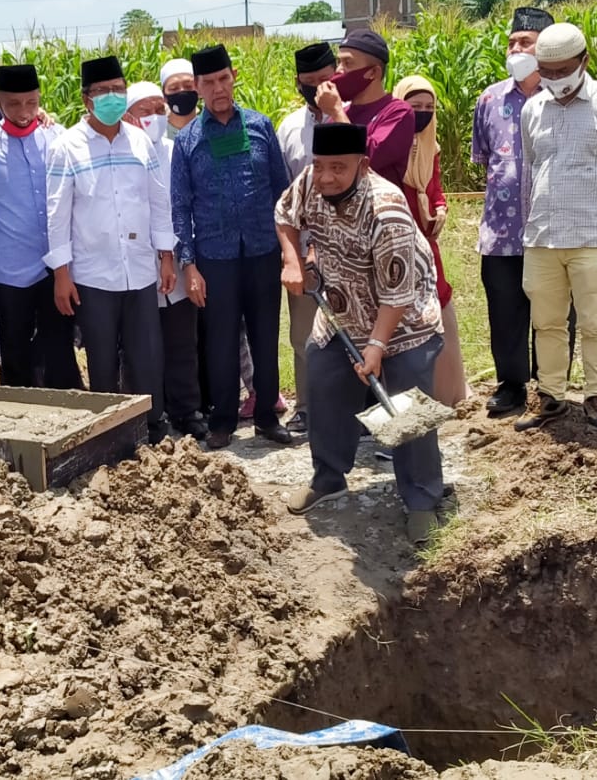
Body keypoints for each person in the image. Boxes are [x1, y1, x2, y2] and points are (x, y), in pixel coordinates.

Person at [277, 123, 446, 544]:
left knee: (404, 406)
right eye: (320, 166)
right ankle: (329, 476)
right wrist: (294, 259)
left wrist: (375, 347)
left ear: (363, 165)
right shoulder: (310, 182)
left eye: (339, 167)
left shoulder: (386, 209)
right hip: (338, 310)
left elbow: (398, 294)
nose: (327, 176)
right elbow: (284, 214)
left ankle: (423, 498)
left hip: (404, 321)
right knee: (324, 384)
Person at [516, 23, 597, 432]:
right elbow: (533, 166)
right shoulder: (532, 109)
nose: (555, 78)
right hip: (542, 235)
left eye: (564, 69)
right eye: (547, 71)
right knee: (547, 322)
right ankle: (551, 396)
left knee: (595, 320)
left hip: (593, 233)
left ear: (584, 61)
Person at [47, 57, 175, 440]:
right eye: (102, 91)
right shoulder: (66, 146)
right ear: (87, 99)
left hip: (138, 269)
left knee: (147, 353)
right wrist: (61, 274)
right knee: (101, 357)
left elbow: (158, 201)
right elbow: (56, 214)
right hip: (92, 272)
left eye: (118, 89)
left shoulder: (140, 141)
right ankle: (107, 432)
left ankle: (152, 426)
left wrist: (166, 256)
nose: (111, 97)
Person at [171, 44, 292, 449]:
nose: (218, 88)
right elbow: (180, 207)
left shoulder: (260, 126)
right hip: (214, 256)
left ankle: (265, 417)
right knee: (220, 341)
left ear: (234, 77)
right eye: (209, 83)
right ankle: (222, 419)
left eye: (224, 79)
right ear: (198, 88)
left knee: (264, 335)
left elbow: (282, 190)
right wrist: (189, 265)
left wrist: (287, 247)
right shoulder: (187, 141)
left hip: (261, 250)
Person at [472, 7, 576, 417]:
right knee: (505, 308)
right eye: (512, 41)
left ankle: (551, 385)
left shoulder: (563, 98)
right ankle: (511, 384)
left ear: (545, 48)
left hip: (555, 227)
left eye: (526, 42)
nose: (516, 48)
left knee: (553, 311)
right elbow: (485, 159)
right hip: (501, 230)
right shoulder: (489, 99)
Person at [0, 63, 82, 389]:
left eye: (31, 103)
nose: (23, 111)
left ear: (39, 98)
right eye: (13, 104)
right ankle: (19, 414)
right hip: (8, 268)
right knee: (15, 346)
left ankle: (68, 408)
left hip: (56, 265)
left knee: (59, 344)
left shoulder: (57, 138)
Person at [125, 80, 206, 439]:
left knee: (181, 342)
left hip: (176, 260)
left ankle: (187, 410)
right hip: (135, 266)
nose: (158, 116)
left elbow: (185, 208)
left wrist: (182, 259)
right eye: (148, 110)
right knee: (141, 348)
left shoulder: (177, 149)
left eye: (161, 109)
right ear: (128, 115)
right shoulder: (121, 151)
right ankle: (148, 415)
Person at [393, 76, 472, 407]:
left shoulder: (430, 146)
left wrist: (440, 207)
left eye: (429, 108)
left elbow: (435, 187)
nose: (422, 114)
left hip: (426, 239)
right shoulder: (388, 145)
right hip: (397, 238)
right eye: (414, 107)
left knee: (438, 302)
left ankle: (446, 393)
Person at [276, 41, 337, 434]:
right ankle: (306, 407)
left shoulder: (354, 118)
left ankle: (353, 409)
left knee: (356, 328)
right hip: (304, 250)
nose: (316, 88)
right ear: (298, 82)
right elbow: (284, 198)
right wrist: (296, 254)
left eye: (324, 80)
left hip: (353, 249)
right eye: (308, 81)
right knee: (304, 335)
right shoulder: (288, 129)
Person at [316, 29, 414, 190]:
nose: (339, 70)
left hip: (379, 211)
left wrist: (336, 112)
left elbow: (369, 159)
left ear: (373, 72)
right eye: (338, 62)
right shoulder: (340, 115)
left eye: (348, 63)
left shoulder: (398, 112)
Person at [160, 58, 198, 140]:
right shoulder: (158, 136)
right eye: (174, 88)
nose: (182, 91)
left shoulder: (212, 131)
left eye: (188, 86)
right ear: (164, 96)